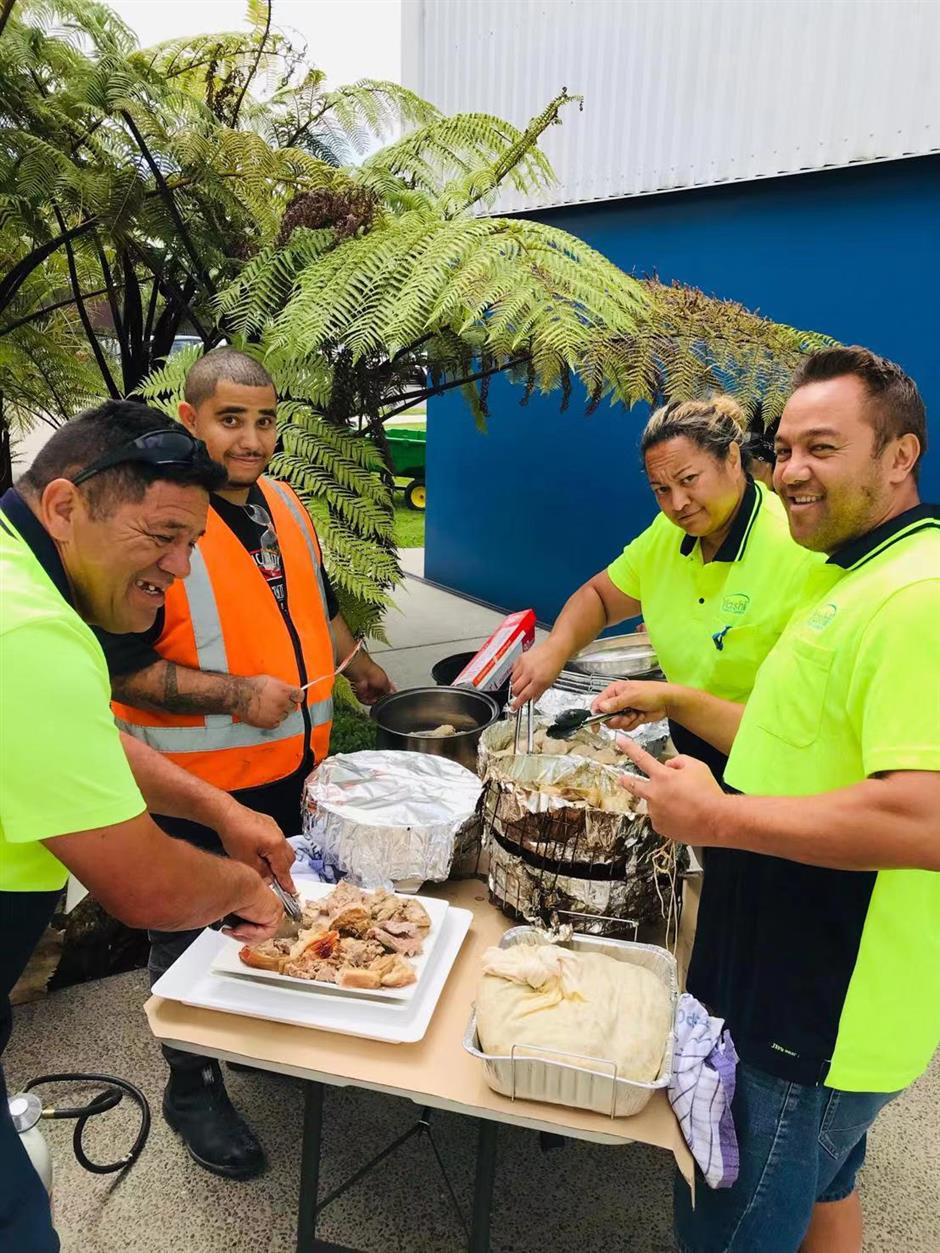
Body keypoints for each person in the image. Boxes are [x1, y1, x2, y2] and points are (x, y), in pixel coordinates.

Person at [596, 347, 939, 1252]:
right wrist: (675, 707)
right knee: (826, 1190)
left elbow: (925, 817)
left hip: (816, 1007)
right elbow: (795, 735)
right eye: (783, 447)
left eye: (820, 447)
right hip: (793, 982)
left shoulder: (918, 597)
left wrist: (717, 819)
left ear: (900, 455)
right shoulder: (849, 573)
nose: (790, 470)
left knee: (731, 1230)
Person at [95, 348, 393, 1179]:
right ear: (190, 420)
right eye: (231, 419)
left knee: (269, 911)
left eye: (265, 420)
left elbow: (315, 605)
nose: (252, 438)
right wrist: (233, 694)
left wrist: (358, 663)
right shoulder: (155, 521)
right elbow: (117, 668)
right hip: (193, 786)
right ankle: (191, 1085)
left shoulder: (287, 505)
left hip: (288, 776)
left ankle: (252, 1036)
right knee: (183, 934)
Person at [1, 401, 291, 1252]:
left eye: (193, 540)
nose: (182, 564)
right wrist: (247, 891)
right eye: (162, 535)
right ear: (64, 506)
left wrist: (221, 810)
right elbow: (144, 885)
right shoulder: (29, 631)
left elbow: (82, 739)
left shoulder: (18, 578)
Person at [511, 394, 823, 775]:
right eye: (661, 489)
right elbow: (600, 598)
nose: (678, 504)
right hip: (692, 752)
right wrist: (554, 649)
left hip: (769, 769)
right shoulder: (668, 534)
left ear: (731, 458)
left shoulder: (794, 548)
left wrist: (672, 700)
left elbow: (798, 726)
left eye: (689, 480)